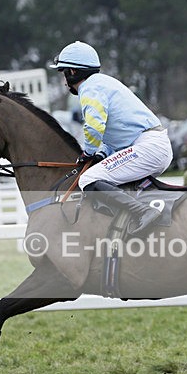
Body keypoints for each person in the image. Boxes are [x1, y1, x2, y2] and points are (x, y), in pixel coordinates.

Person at [50, 41, 171, 237]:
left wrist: (88, 152)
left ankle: (143, 212)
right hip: (150, 145)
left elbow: (94, 127)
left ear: (72, 71)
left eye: (64, 73)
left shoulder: (89, 88)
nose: (65, 81)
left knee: (88, 178)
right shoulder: (103, 82)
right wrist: (102, 153)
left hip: (149, 148)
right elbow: (114, 134)